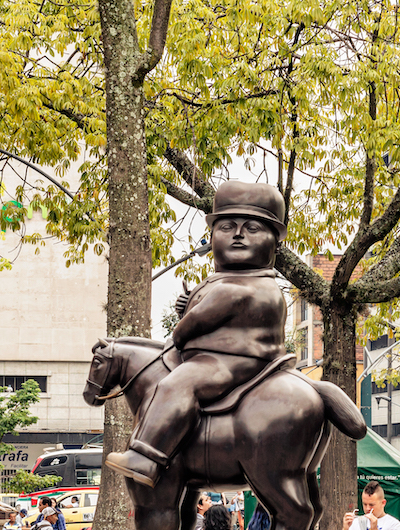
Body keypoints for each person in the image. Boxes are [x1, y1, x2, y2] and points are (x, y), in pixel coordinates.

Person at [104, 181, 288, 488]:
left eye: (252, 227)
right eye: (228, 226)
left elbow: (195, 323)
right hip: (218, 356)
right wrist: (186, 306)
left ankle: (145, 456)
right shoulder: (225, 280)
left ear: (273, 240)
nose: (239, 234)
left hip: (231, 362)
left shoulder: (239, 287)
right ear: (214, 235)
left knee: (174, 384)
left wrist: (182, 327)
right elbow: (206, 314)